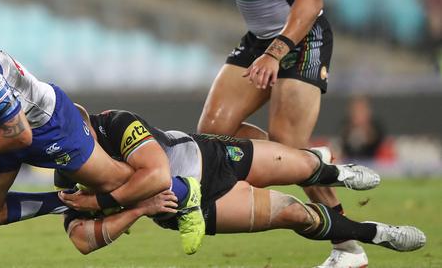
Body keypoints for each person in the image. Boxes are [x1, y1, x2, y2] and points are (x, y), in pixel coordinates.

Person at [0, 0, 205, 252]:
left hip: (49, 124)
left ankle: (179, 189)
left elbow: (21, 135)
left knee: (113, 185)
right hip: (0, 128)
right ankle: (69, 203)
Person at [146, 0, 363, 266]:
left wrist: (276, 53)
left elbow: (310, 1)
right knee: (214, 133)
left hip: (301, 41)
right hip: (258, 41)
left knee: (288, 150)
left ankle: (347, 247)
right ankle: (308, 158)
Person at [57, 108, 425, 260]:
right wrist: (139, 209)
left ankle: (338, 173)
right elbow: (82, 241)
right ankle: (374, 233)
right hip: (197, 205)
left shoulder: (114, 123)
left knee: (299, 163)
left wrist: (105, 200)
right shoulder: (67, 172)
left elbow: (156, 174)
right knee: (295, 214)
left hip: (209, 152)